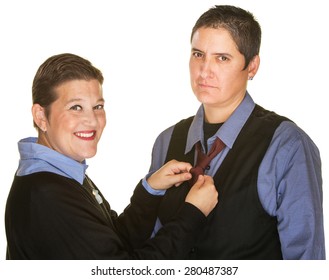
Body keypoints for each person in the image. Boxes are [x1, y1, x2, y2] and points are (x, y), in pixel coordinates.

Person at [147, 5, 325, 259]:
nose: (204, 71)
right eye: (198, 54)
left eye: (222, 58)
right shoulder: (166, 141)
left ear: (252, 66)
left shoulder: (287, 145)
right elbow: (152, 250)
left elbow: (305, 261)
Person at [5, 53, 218, 260]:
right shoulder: (47, 193)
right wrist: (192, 214)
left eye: (97, 107)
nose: (92, 120)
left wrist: (150, 190)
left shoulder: (61, 172)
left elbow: (112, 241)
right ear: (41, 116)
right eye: (76, 107)